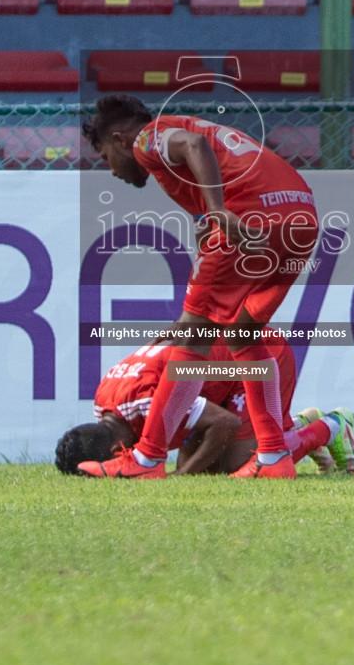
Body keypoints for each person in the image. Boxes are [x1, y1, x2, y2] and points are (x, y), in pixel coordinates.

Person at [79, 94, 323, 478]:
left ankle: (146, 460)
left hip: (252, 213)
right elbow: (205, 152)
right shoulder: (182, 129)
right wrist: (208, 216)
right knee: (243, 335)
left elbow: (194, 146)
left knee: (193, 335)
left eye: (106, 156)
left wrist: (217, 210)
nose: (111, 170)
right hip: (301, 216)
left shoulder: (146, 139)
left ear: (119, 138)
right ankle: (274, 458)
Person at [56, 335, 354, 476]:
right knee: (208, 469)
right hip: (222, 372)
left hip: (257, 358)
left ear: (115, 453)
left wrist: (183, 476)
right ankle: (296, 426)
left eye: (110, 466)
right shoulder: (105, 404)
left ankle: (333, 425)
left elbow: (224, 423)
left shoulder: (146, 401)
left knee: (241, 466)